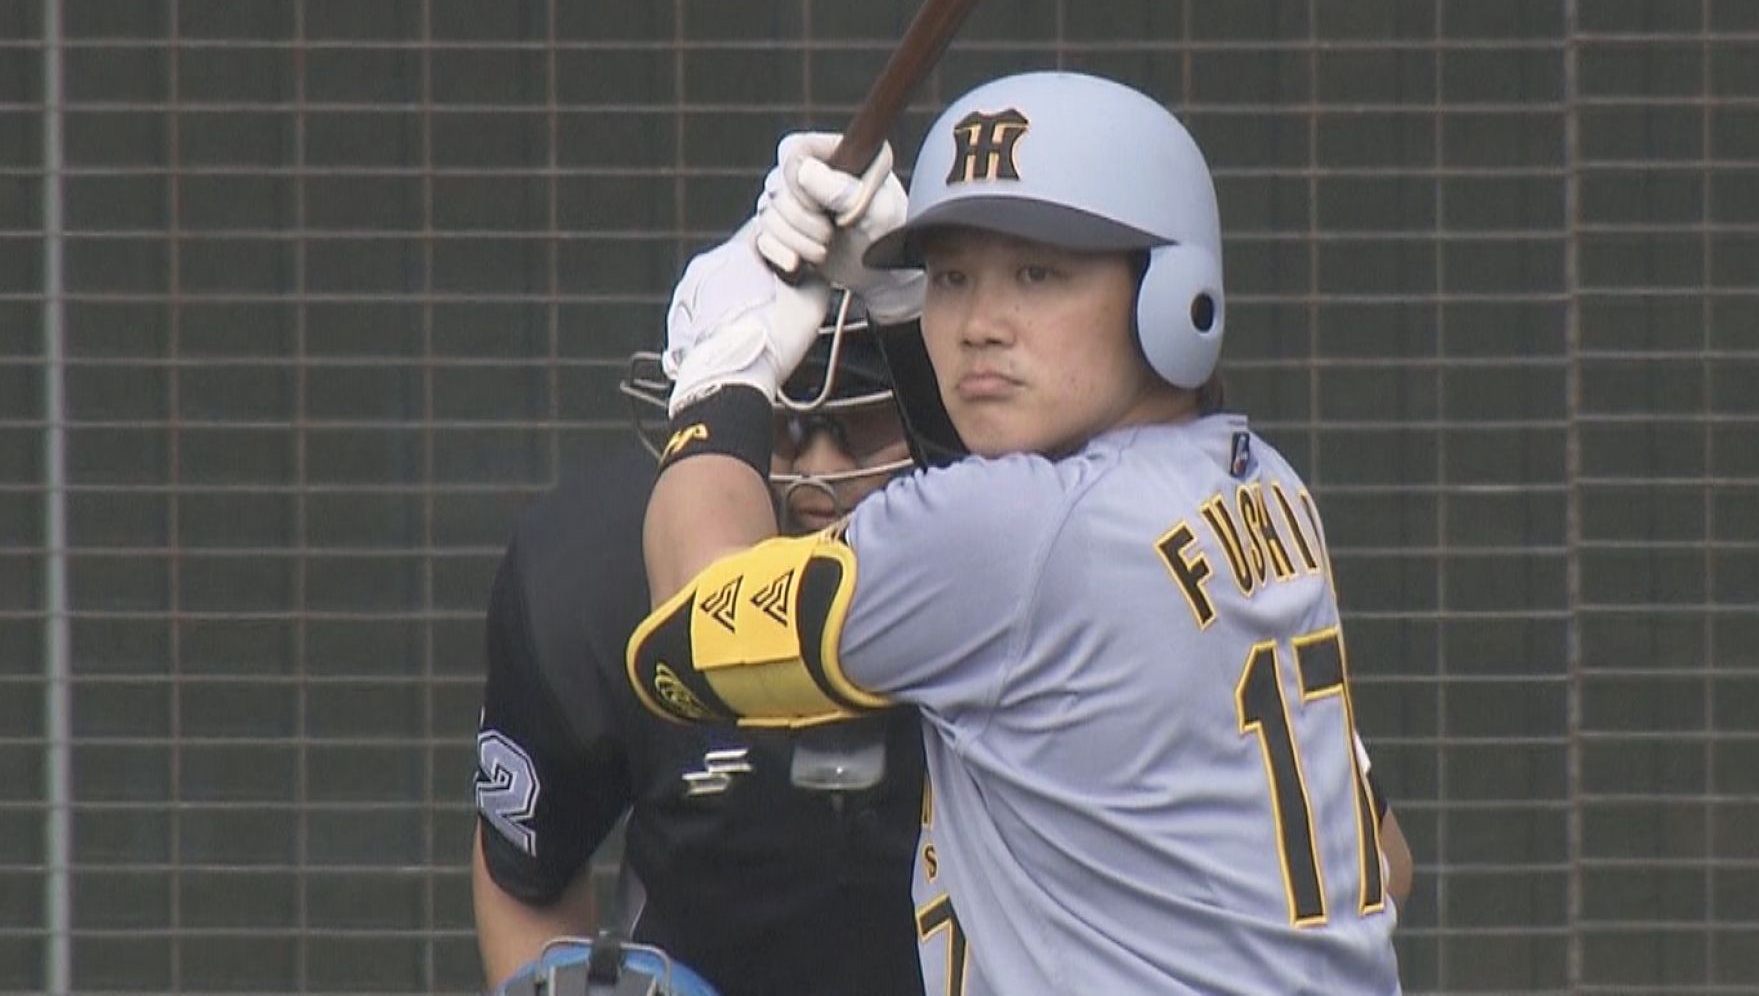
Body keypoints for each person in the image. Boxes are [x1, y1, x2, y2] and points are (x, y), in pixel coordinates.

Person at [631, 71, 1411, 994]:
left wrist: (722, 377)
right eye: (951, 277)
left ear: (1171, 289)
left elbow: (687, 637)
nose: (978, 326)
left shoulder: (1014, 538)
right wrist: (896, 308)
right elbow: (1386, 860)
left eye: (1038, 275)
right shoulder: (1263, 486)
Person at [471, 313, 931, 995]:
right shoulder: (595, 576)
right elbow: (526, 877)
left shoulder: (1048, 547)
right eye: (781, 423)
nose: (819, 473)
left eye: (860, 423)